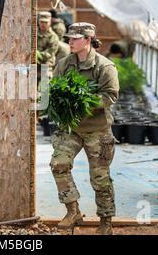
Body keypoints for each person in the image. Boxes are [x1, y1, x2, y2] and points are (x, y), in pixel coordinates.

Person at [50, 22, 119, 235]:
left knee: (100, 177)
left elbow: (111, 95)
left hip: (97, 129)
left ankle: (106, 221)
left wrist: (83, 101)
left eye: (75, 39)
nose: (70, 42)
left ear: (88, 40)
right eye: (69, 38)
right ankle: (73, 210)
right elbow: (56, 90)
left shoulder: (104, 66)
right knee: (59, 164)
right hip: (72, 128)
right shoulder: (64, 64)